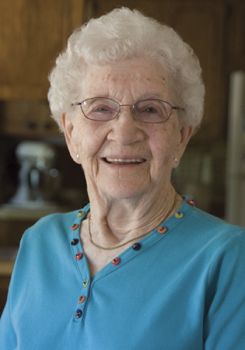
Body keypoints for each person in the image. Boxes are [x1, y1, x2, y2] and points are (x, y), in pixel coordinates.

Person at [0, 7, 245, 350]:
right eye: (101, 108)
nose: (125, 132)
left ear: (182, 137)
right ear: (71, 134)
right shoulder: (39, 243)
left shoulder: (228, 259)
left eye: (150, 109)